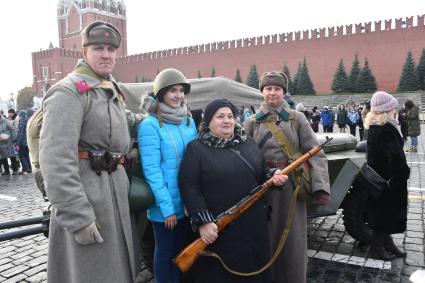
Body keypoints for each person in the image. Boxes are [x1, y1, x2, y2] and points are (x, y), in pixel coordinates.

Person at [39, 21, 136, 282]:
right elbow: (56, 160)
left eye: (110, 49)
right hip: (89, 203)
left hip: (114, 196)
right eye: (98, 48)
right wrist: (78, 217)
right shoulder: (69, 91)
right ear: (84, 52)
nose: (106, 54)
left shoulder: (110, 89)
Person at [179, 98, 288, 283]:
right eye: (220, 116)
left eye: (230, 116)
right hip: (220, 230)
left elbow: (262, 171)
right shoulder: (196, 149)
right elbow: (189, 186)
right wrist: (203, 222)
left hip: (254, 226)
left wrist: (273, 177)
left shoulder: (248, 142)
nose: (227, 120)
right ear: (208, 122)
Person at [244, 71, 330, 283]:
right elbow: (245, 157)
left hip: (292, 187)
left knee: (293, 241)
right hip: (263, 187)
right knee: (264, 238)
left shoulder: (297, 118)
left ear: (283, 92)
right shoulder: (252, 122)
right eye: (268, 88)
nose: (272, 93)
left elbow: (315, 151)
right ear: (262, 91)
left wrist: (320, 186)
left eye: (277, 89)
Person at [138, 68, 197, 283]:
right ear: (161, 93)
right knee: (165, 255)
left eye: (181, 90)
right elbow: (152, 171)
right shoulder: (149, 125)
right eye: (172, 90)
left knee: (184, 253)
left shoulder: (188, 121)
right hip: (166, 208)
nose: (178, 95)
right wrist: (167, 209)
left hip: (187, 203)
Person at [362, 91, 410, 259]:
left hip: (379, 179)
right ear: (386, 109)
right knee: (386, 214)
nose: (395, 109)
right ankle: (377, 247)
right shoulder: (386, 129)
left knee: (384, 213)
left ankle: (387, 243)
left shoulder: (375, 126)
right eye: (392, 106)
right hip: (390, 180)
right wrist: (404, 172)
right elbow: (395, 157)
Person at [16, 108, 35, 175]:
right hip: (28, 142)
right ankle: (29, 168)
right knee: (26, 155)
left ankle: (25, 169)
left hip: (22, 142)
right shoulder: (28, 121)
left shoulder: (21, 122)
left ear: (21, 116)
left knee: (21, 156)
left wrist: (18, 144)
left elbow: (20, 134)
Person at [6, 108, 20, 174]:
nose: (9, 114)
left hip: (14, 137)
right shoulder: (9, 118)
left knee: (15, 152)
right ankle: (15, 165)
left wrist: (15, 137)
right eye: (9, 113)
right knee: (14, 152)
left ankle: (17, 165)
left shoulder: (16, 118)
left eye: (10, 113)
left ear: (13, 113)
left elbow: (16, 128)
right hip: (10, 137)